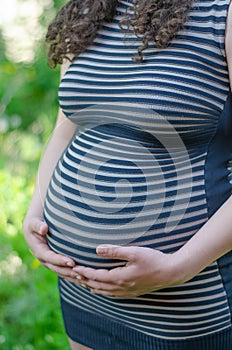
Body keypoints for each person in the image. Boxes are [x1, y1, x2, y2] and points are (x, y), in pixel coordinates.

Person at [23, 0, 232, 349]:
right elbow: (68, 126)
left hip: (190, 298)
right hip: (85, 294)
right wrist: (37, 208)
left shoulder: (222, 13)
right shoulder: (91, 9)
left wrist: (178, 267)